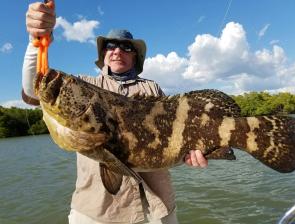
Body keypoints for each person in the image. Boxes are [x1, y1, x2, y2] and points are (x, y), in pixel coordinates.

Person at [23, 1, 208, 223]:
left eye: (126, 47)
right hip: (95, 212)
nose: (117, 50)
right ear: (104, 54)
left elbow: (175, 136)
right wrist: (37, 42)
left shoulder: (152, 88)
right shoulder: (84, 83)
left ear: (135, 56)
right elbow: (35, 87)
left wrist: (193, 151)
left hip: (157, 208)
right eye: (111, 45)